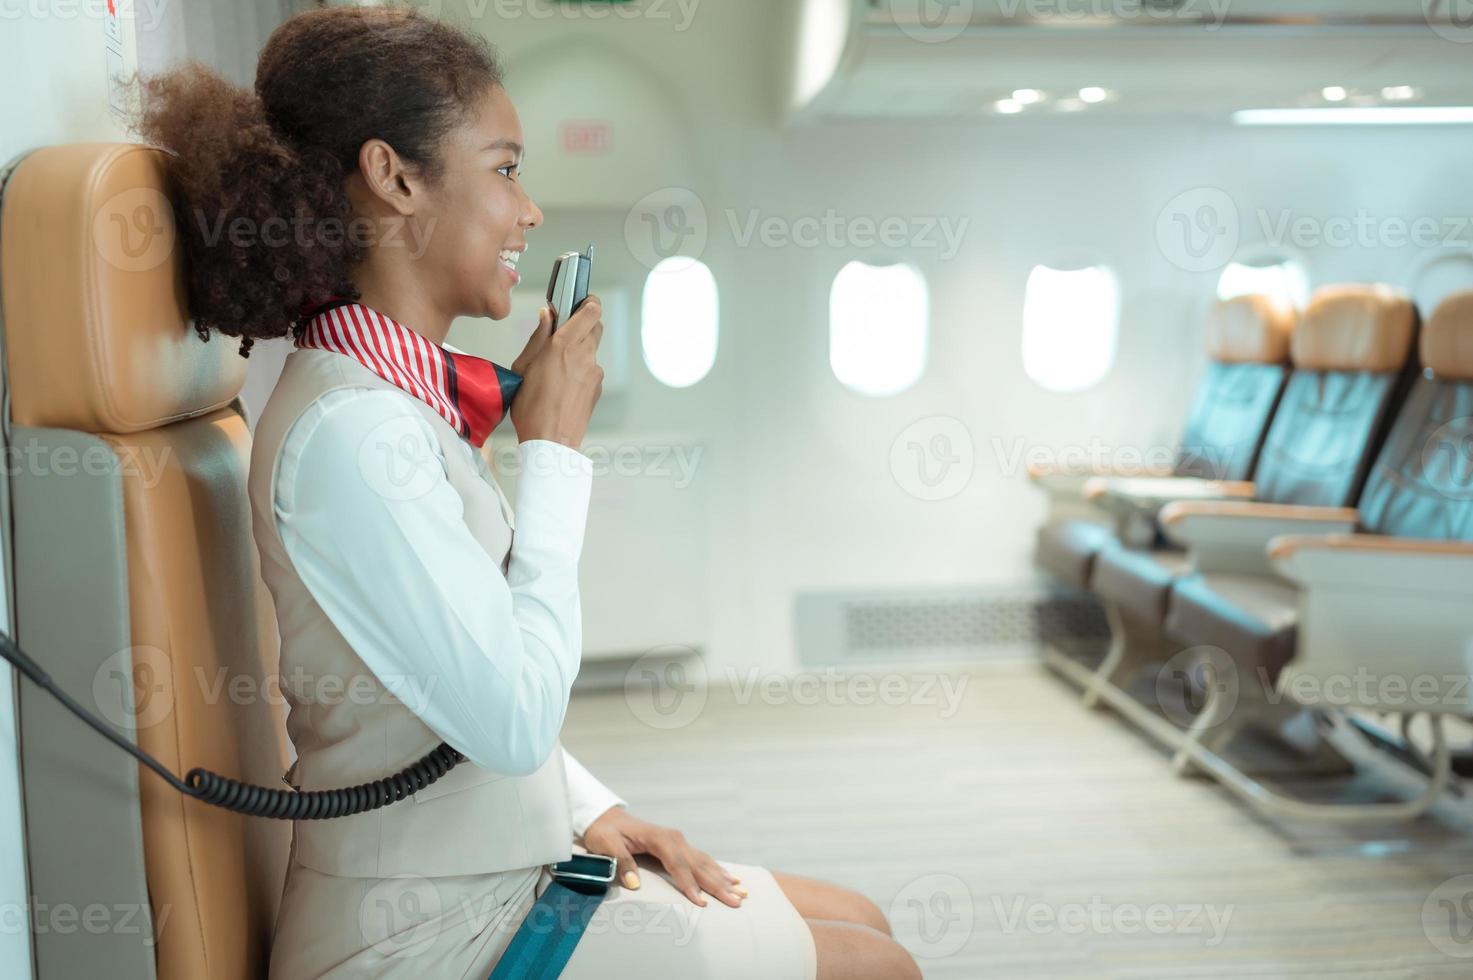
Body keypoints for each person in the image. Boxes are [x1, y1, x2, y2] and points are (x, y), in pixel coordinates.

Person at [136, 7, 921, 979]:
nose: (531, 209)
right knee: (875, 965)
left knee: (860, 916)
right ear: (395, 177)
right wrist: (553, 453)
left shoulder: (388, 400)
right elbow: (510, 717)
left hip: (487, 867)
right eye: (505, 169)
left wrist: (589, 807)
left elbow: (458, 687)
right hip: (414, 936)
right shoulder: (355, 435)